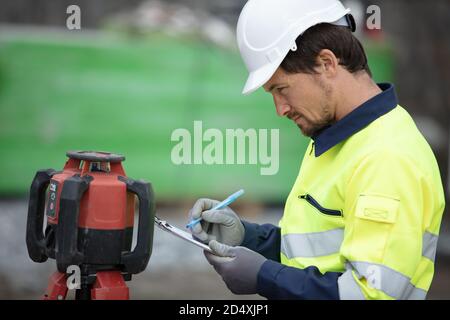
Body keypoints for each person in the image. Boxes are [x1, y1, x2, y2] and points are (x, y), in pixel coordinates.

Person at [188, 0, 446, 299]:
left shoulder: (386, 156)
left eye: (281, 89)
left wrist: (264, 276)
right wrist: (250, 238)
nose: (280, 109)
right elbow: (316, 254)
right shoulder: (337, 141)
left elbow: (370, 294)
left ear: (327, 63)